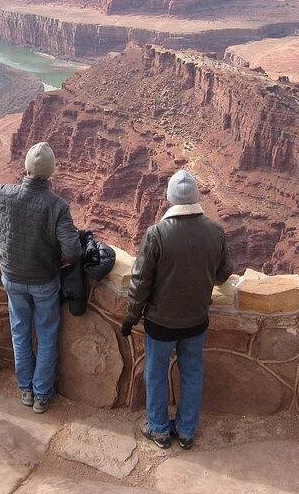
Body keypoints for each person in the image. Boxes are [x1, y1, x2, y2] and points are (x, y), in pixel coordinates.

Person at [0, 142, 80, 413]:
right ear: (51, 172)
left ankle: (25, 389)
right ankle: (41, 395)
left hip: (12, 277)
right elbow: (73, 249)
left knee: (20, 332)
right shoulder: (57, 206)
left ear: (25, 168)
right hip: (45, 281)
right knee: (46, 335)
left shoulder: (6, 194)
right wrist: (58, 261)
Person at [121, 169, 233, 450]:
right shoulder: (215, 232)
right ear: (196, 197)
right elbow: (222, 275)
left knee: (156, 372)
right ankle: (185, 431)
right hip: (196, 320)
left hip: (160, 322)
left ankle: (158, 429)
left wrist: (131, 315)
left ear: (170, 199)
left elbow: (140, 280)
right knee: (192, 371)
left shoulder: (157, 234)